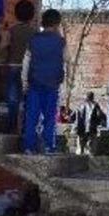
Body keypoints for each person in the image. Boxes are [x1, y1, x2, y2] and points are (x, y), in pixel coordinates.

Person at [21, 9, 65, 155]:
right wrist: (64, 87)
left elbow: (26, 62)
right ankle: (48, 145)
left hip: (34, 83)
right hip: (53, 84)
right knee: (50, 117)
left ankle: (29, 146)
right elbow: (67, 62)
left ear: (42, 22)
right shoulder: (61, 42)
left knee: (31, 116)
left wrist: (24, 82)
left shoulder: (33, 40)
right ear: (57, 24)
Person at [0, 0, 38, 134]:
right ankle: (27, 128)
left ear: (16, 14)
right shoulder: (35, 34)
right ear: (32, 15)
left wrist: (2, 63)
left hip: (13, 67)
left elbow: (3, 47)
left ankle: (11, 125)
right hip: (30, 69)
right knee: (29, 99)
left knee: (12, 99)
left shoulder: (11, 31)